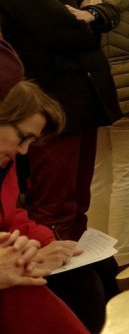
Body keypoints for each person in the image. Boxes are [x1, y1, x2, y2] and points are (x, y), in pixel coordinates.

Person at [0, 0, 122, 241]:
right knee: (55, 204)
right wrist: (88, 19)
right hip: (53, 97)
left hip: (82, 92)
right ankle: (60, 284)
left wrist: (91, 16)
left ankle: (80, 274)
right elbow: (60, 32)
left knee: (78, 198)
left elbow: (110, 13)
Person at [73, 0, 129, 267]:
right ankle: (127, 252)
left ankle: (99, 250)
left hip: (91, 93)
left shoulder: (71, 0)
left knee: (99, 175)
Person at [0, 79, 94, 334]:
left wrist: (46, 242)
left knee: (92, 271)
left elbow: (11, 216)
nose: (23, 150)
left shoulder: (5, 164)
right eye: (23, 137)